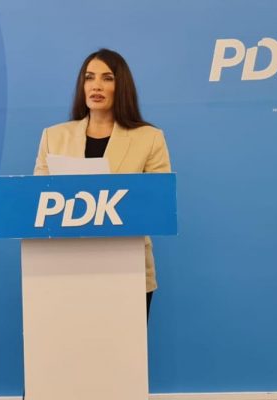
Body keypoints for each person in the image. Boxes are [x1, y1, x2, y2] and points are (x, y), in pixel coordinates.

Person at [33, 48, 171, 316]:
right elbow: (37, 202)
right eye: (89, 77)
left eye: (107, 78)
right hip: (65, 268)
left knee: (124, 345)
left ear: (122, 86)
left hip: (128, 268)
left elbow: (159, 205)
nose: (96, 85)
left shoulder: (149, 138)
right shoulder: (53, 137)